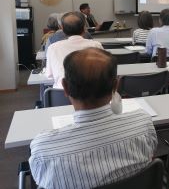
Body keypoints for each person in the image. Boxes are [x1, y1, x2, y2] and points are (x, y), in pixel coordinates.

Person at [29, 48, 157, 189]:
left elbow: (40, 180)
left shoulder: (43, 149)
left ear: (65, 87)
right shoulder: (144, 122)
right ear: (116, 86)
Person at [46, 12, 103, 89]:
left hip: (61, 96)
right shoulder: (96, 45)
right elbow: (103, 71)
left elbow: (49, 75)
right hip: (92, 94)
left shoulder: (52, 48)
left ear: (62, 29)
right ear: (84, 28)